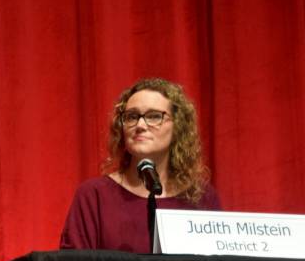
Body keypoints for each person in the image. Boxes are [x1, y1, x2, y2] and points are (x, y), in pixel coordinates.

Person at [59, 77, 221, 252]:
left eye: (153, 116)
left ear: (178, 127)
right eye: (132, 117)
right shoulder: (93, 196)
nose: (140, 125)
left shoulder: (202, 198)